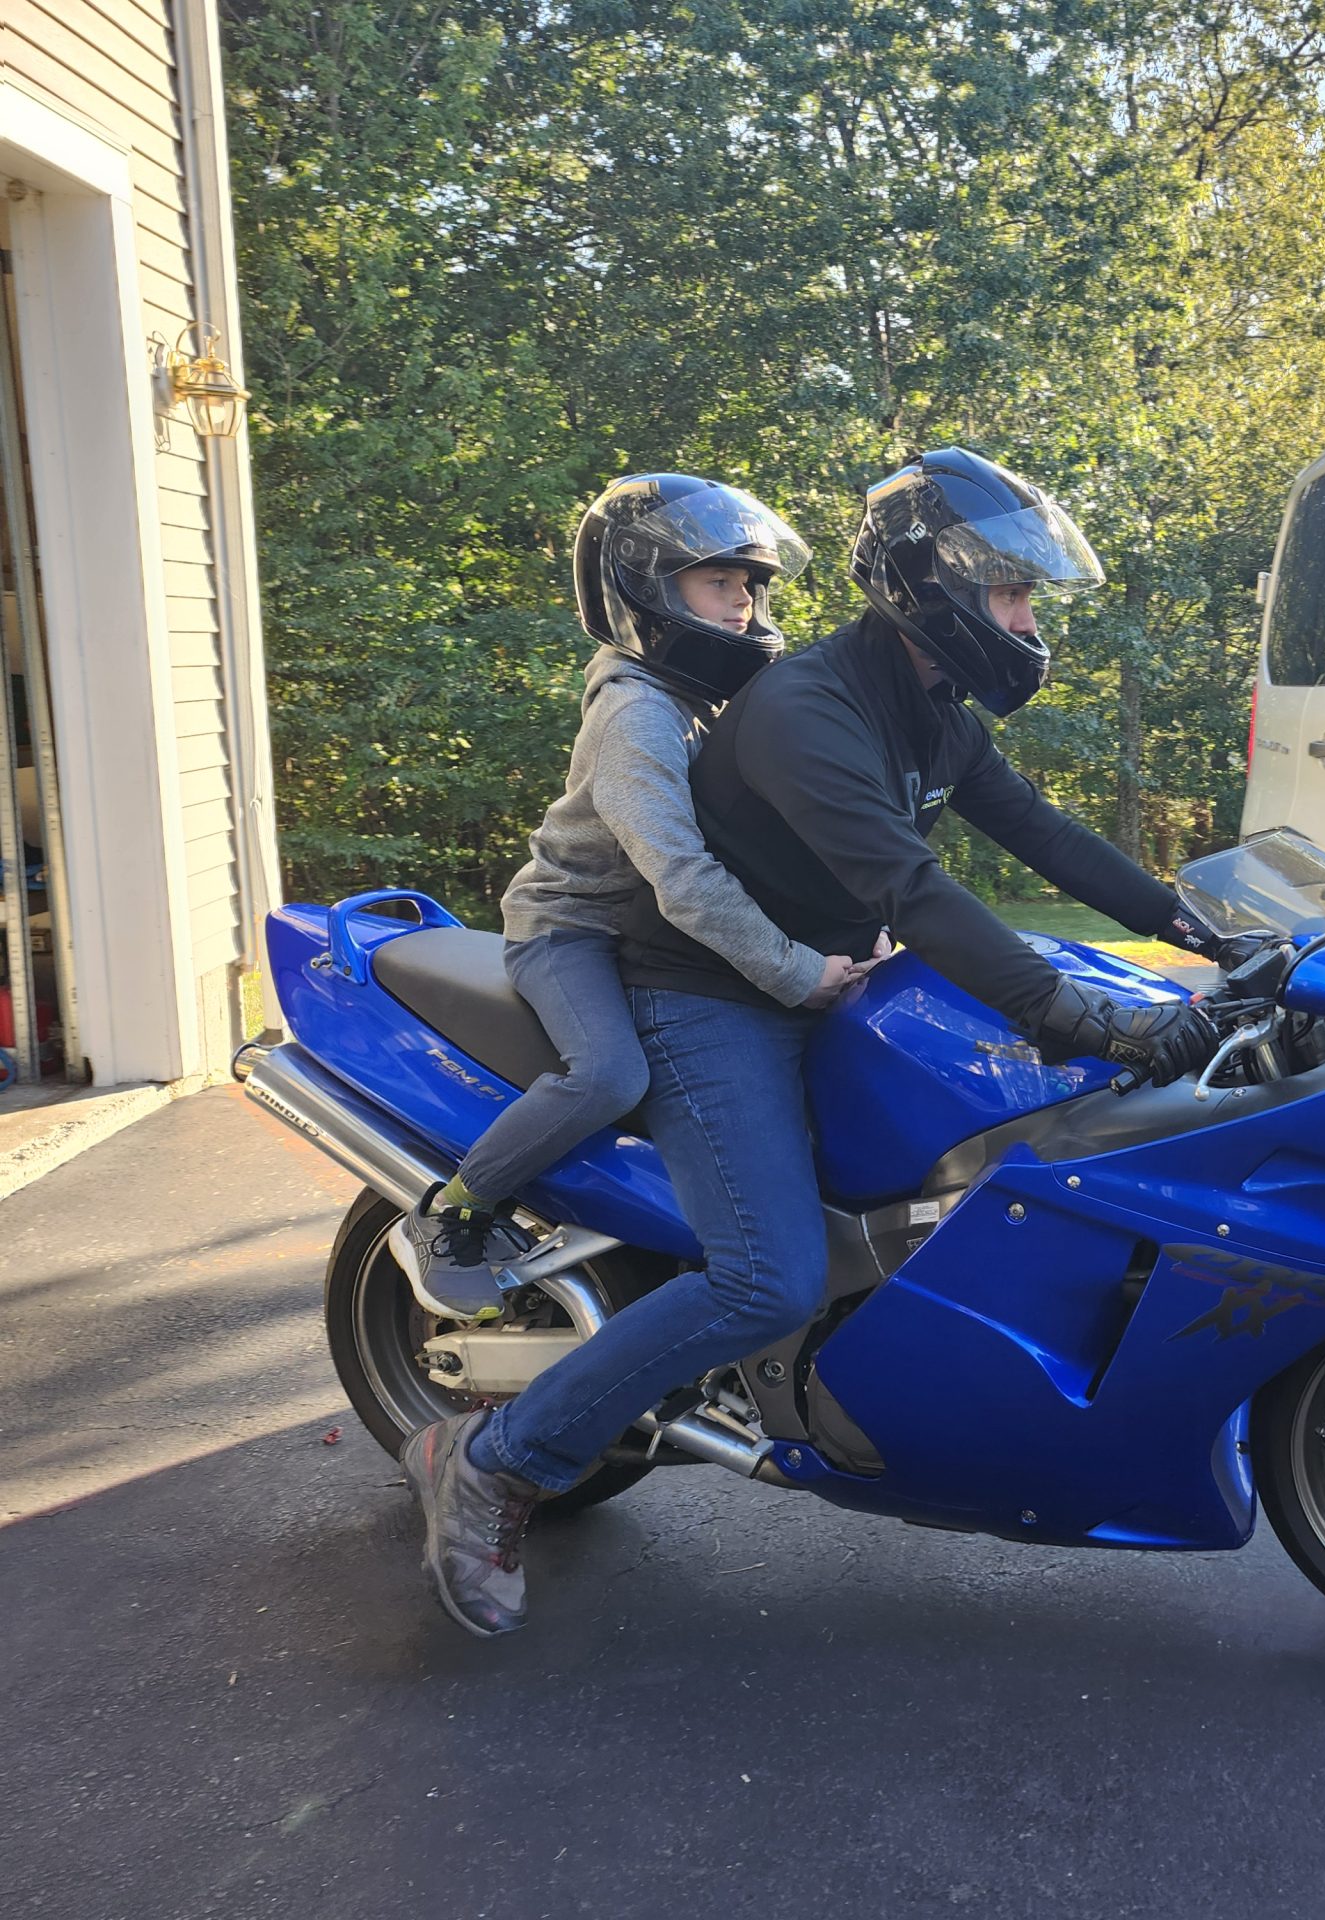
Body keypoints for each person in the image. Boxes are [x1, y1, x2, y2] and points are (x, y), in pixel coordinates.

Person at [403, 450, 1247, 1636]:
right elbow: (917, 892)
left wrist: (1204, 931)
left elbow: (1043, 835)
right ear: (937, 588)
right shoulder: (808, 711)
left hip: (827, 984)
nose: (1026, 621)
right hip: (708, 996)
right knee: (769, 1277)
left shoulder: (928, 710)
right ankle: (496, 1460)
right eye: (1012, 594)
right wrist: (1080, 1019)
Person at [388, 475, 872, 1325]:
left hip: (648, 938)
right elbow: (681, 875)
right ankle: (453, 1209)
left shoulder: (705, 698)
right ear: (647, 591)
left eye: (750, 584)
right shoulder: (638, 713)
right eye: (719, 582)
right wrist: (796, 971)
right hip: (573, 928)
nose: (744, 603)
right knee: (612, 1074)